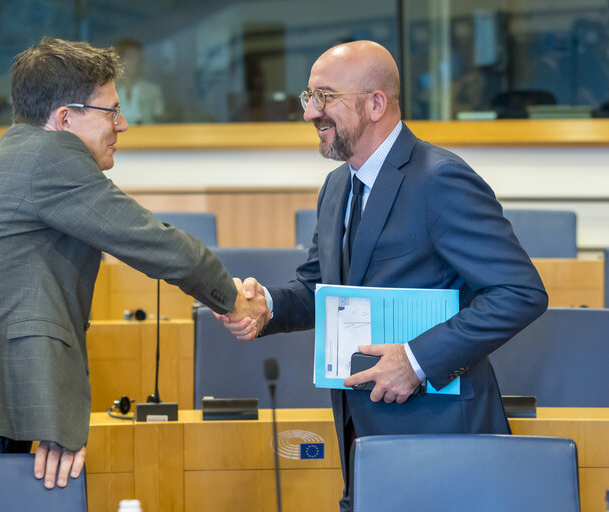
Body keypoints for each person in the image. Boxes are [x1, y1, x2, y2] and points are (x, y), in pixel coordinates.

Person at [0, 37, 252, 489]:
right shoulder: (48, 157)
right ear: (66, 117)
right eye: (111, 110)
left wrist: (50, 418)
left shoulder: (20, 155)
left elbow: (28, 307)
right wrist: (232, 298)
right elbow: (151, 241)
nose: (123, 124)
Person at [218, 41, 548, 511]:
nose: (311, 113)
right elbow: (321, 288)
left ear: (375, 103)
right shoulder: (337, 186)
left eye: (325, 97)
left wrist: (416, 361)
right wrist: (265, 305)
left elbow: (520, 293)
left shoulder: (440, 179)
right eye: (308, 97)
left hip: (441, 440)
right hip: (359, 435)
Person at [115, 39, 165, 124]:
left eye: (138, 58)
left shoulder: (153, 91)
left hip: (146, 136)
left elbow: (160, 121)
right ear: (119, 60)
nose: (135, 62)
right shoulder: (106, 91)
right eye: (130, 57)